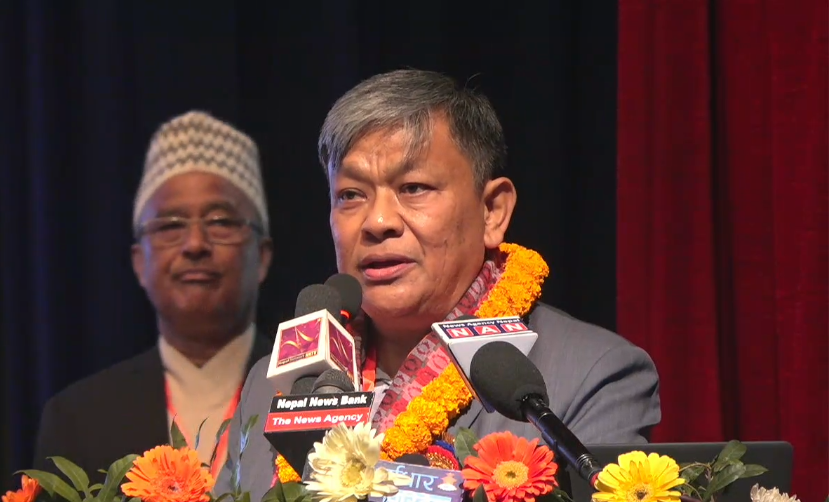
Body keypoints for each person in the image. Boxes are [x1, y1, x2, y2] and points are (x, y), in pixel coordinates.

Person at [217, 69, 661, 498]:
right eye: (351, 195)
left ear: (492, 211)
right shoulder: (271, 384)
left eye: (413, 188)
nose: (378, 221)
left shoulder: (590, 375)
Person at [33, 111, 274, 480]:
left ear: (262, 256)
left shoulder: (308, 395)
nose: (195, 244)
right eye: (170, 225)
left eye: (221, 222)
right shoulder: (77, 418)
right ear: (138, 262)